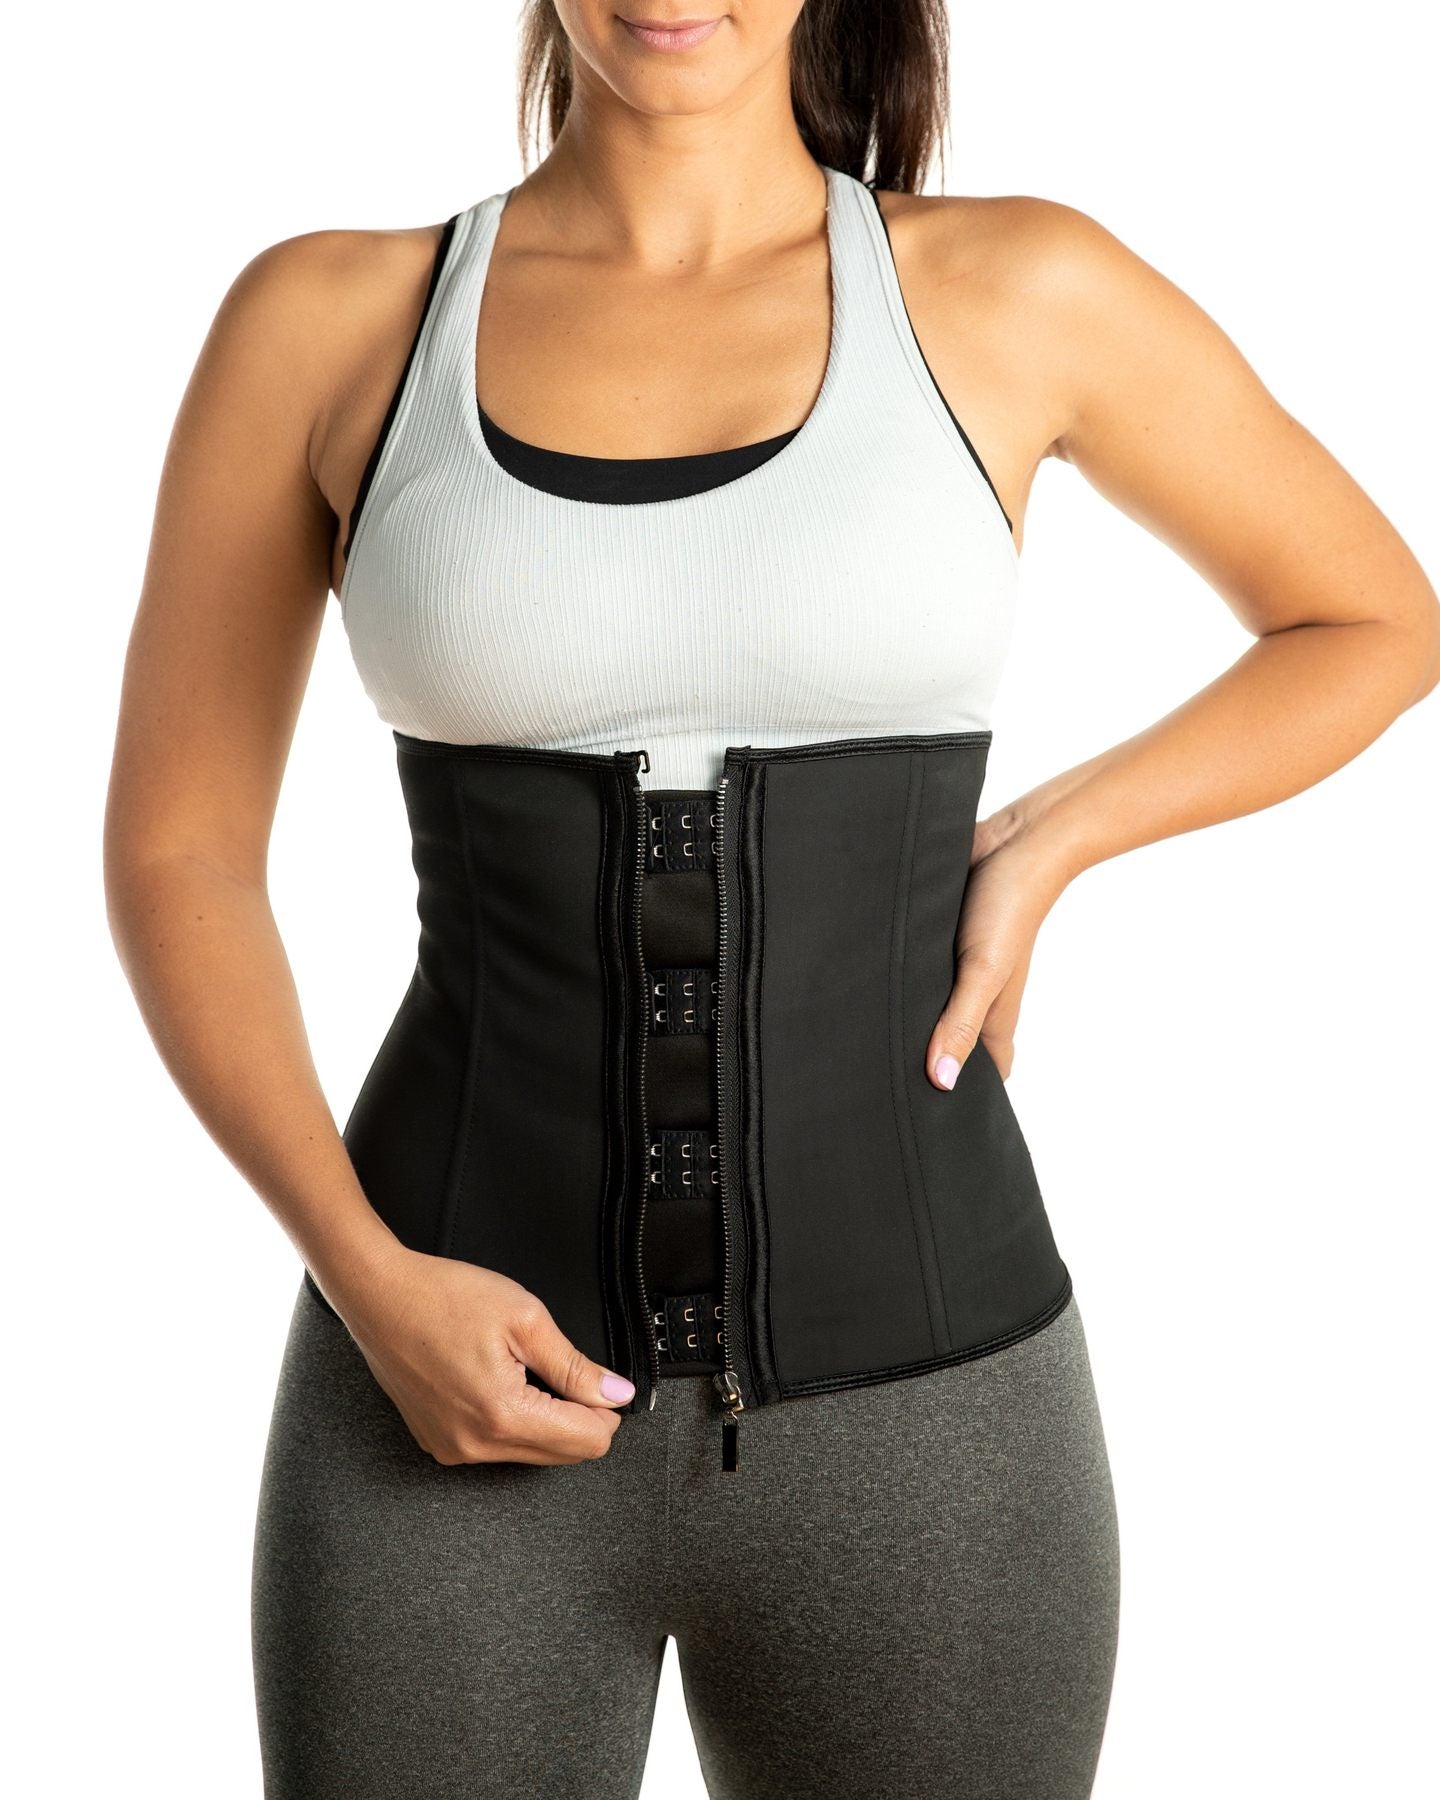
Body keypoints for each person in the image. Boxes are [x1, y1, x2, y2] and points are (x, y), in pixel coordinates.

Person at [103, 3, 1440, 1796]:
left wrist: (1051, 839)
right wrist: (364, 1279)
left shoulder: (1016, 289)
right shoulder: (331, 321)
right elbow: (180, 848)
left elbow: (1370, 619)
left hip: (930, 1427)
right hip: (429, 1389)